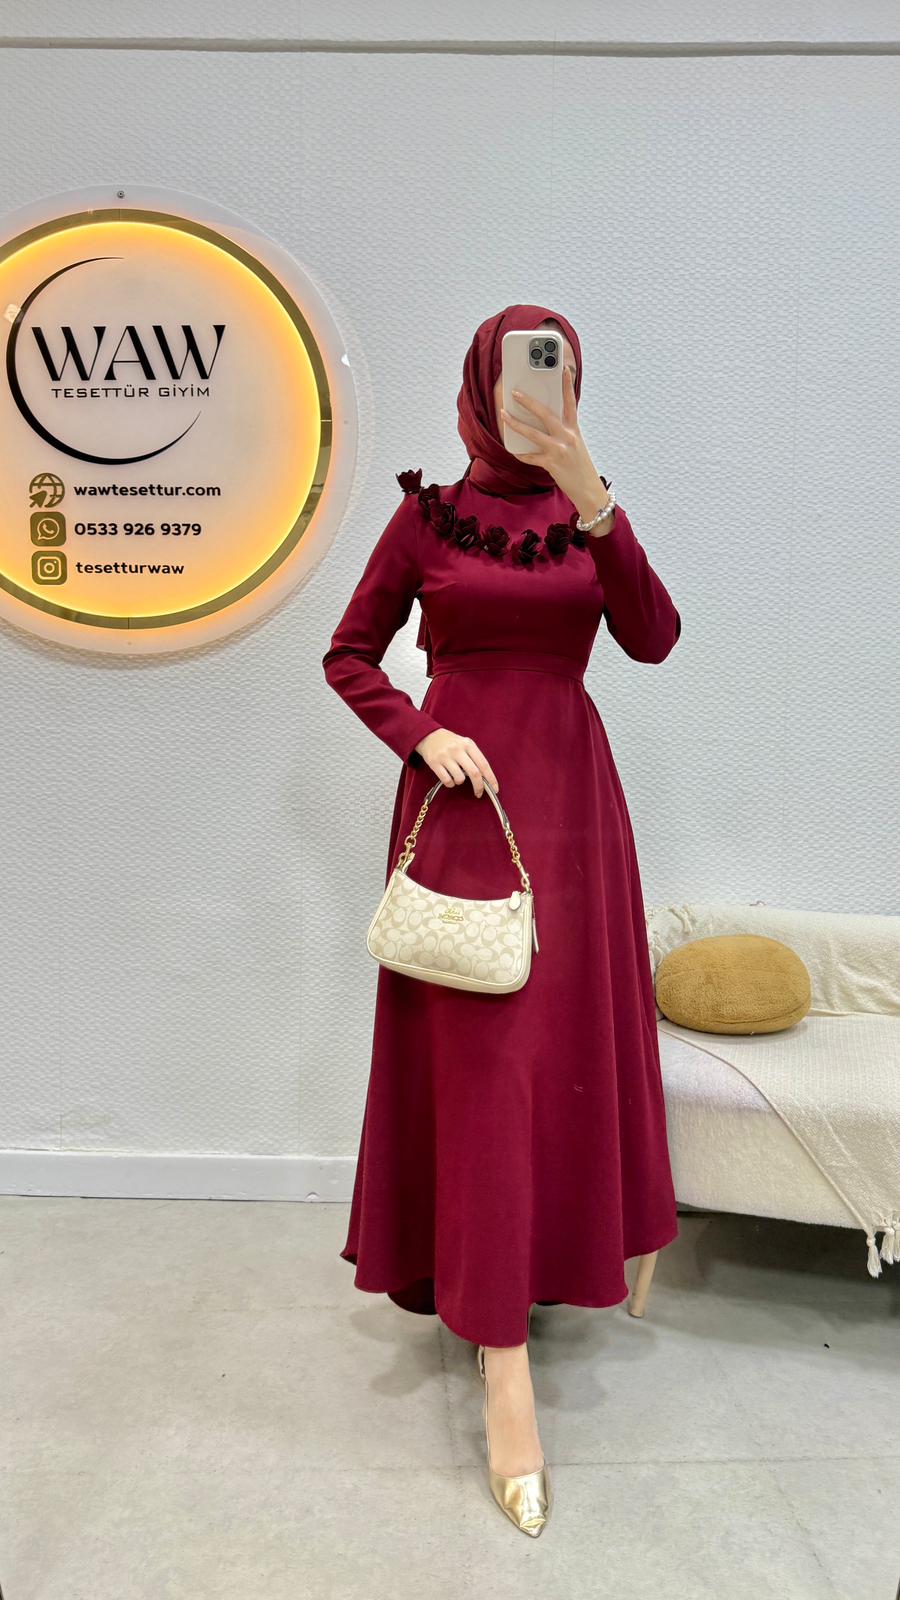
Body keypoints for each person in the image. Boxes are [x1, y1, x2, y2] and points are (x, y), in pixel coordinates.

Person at [321, 303, 683, 1536]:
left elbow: (653, 637)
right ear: (483, 383)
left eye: (562, 372)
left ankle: (545, 1269)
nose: (542, 391)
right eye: (527, 371)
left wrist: (594, 496)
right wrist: (421, 731)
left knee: (557, 1059)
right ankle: (500, 1351)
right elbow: (350, 653)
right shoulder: (427, 519)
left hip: (573, 814)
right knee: (483, 1069)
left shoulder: (590, 512)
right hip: (466, 807)